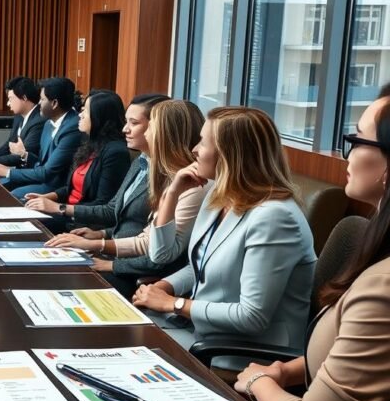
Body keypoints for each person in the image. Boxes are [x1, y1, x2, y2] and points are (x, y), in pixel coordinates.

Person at [233, 89, 390, 401]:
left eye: (355, 138)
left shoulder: (383, 288)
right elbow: (360, 351)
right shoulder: (375, 244)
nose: (347, 153)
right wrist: (286, 372)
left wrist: (258, 381)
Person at [131, 107, 316, 369]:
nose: (194, 149)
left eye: (203, 142)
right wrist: (165, 286)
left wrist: (174, 304)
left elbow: (251, 316)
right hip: (202, 332)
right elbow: (173, 258)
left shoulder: (275, 217)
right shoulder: (219, 194)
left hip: (244, 351)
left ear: (230, 155)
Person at [43, 99, 207, 298]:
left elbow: (158, 253)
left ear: (165, 135)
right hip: (123, 254)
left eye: (147, 127)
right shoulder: (148, 164)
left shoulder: (190, 184)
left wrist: (104, 252)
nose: (143, 133)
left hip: (143, 272)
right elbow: (139, 230)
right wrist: (102, 236)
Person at [22, 90, 131, 233]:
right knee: (23, 210)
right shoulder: (89, 143)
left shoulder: (116, 152)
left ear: (99, 117)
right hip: (67, 212)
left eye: (85, 110)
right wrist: (46, 198)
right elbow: (71, 188)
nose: (80, 114)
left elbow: (103, 204)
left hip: (82, 222)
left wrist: (58, 208)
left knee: (28, 225)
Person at [0, 77, 82, 198]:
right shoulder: (48, 124)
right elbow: (41, 163)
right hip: (42, 179)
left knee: (14, 195)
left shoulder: (72, 128)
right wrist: (24, 155)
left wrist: (8, 172)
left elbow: (47, 173)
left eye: (42, 99)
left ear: (54, 103)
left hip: (57, 188)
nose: (38, 103)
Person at [0, 76, 45, 168]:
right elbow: (9, 145)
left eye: (10, 99)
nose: (8, 103)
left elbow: (22, 156)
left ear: (24, 98)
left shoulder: (39, 121)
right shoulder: (19, 116)